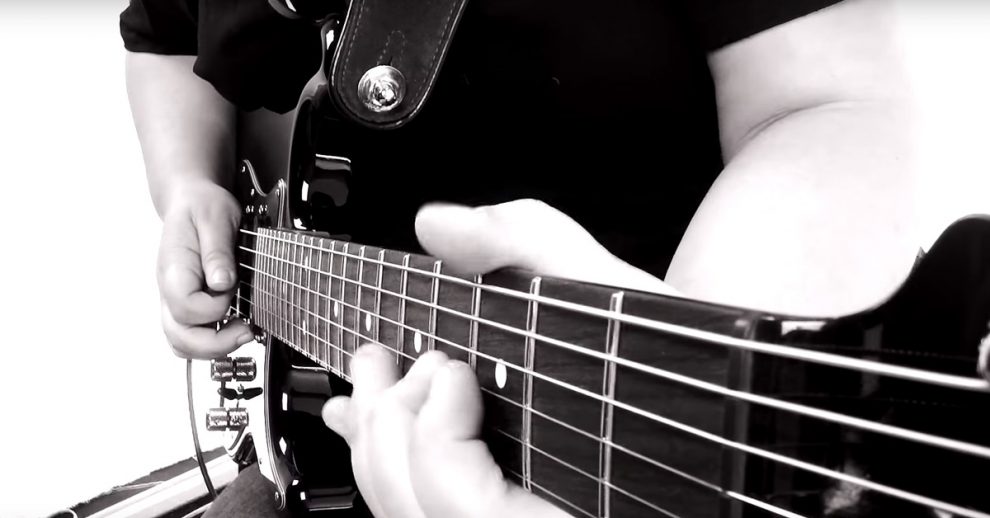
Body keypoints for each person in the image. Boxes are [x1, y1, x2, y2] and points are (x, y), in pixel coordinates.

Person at [119, 0, 920, 516]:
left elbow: (826, 104)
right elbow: (161, 37)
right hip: (328, 445)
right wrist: (188, 183)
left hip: (588, 460)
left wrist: (661, 453)